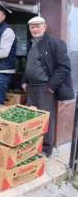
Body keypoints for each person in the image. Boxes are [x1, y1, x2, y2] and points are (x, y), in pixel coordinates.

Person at [21, 16, 74, 157]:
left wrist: (51, 86)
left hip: (45, 89)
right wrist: (24, 81)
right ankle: (33, 147)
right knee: (32, 118)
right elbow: (29, 65)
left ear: (45, 27)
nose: (35, 29)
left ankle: (46, 149)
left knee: (46, 119)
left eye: (38, 26)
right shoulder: (31, 43)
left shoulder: (55, 43)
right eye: (32, 27)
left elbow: (64, 67)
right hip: (32, 88)